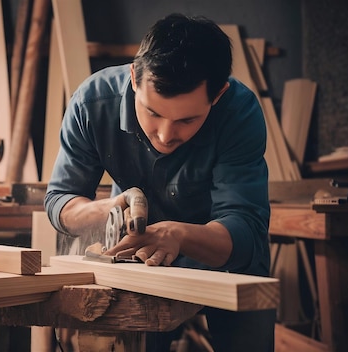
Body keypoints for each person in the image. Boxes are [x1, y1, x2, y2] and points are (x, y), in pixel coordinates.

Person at [44, 13, 275, 352]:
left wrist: (178, 234)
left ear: (218, 94)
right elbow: (60, 200)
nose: (166, 135)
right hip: (138, 257)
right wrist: (108, 210)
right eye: (152, 113)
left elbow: (245, 232)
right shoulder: (92, 103)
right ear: (134, 77)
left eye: (187, 120)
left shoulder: (238, 111)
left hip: (222, 256)